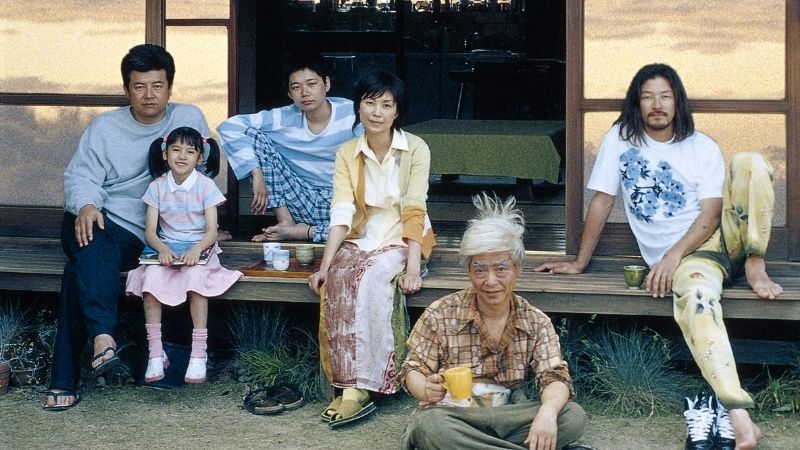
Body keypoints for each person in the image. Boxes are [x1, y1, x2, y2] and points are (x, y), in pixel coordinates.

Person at [534, 63, 781, 450]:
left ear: (677, 101)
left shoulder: (701, 146)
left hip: (720, 241)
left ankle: (754, 264)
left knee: (749, 162)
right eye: (647, 97)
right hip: (696, 263)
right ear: (637, 102)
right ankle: (739, 414)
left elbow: (712, 213)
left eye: (665, 96)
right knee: (698, 299)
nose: (657, 105)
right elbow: (601, 200)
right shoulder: (620, 140)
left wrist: (670, 257)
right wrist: (580, 261)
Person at [44, 44, 211, 411]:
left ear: (170, 87)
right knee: (91, 237)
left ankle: (70, 371)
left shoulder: (189, 117)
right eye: (139, 86)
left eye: (157, 85)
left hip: (144, 229)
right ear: (126, 90)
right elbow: (81, 175)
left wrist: (205, 222)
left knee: (79, 271)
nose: (149, 95)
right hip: (98, 217)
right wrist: (87, 204)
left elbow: (207, 170)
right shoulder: (105, 126)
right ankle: (104, 337)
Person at [399, 194, 587, 450]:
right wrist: (425, 389)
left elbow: (554, 376)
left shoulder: (535, 321)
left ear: (517, 269)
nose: (490, 281)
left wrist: (547, 414)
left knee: (572, 416)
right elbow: (413, 368)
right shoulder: (440, 313)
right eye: (479, 270)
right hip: (455, 415)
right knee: (430, 427)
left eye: (501, 269)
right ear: (468, 271)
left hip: (508, 414)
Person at [308, 71, 435, 427]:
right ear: (358, 107)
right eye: (369, 102)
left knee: (373, 278)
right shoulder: (348, 152)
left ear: (397, 112)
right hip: (362, 234)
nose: (377, 112)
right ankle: (349, 385)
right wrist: (324, 265)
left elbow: (414, 207)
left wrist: (412, 268)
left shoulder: (416, 149)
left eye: (386, 105)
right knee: (338, 280)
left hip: (403, 236)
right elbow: (342, 211)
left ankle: (374, 382)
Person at [125, 127, 242, 385]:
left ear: (200, 158)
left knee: (195, 279)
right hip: (167, 246)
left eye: (190, 151)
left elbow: (212, 231)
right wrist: (162, 249)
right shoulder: (157, 187)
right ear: (165, 154)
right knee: (151, 279)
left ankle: (198, 352)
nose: (182, 156)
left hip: (199, 247)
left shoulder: (206, 186)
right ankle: (156, 351)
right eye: (176, 150)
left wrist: (196, 250)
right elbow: (150, 231)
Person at [217, 52, 363, 242]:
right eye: (296, 87)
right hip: (301, 199)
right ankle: (285, 222)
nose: (305, 93)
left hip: (344, 203)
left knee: (367, 228)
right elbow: (229, 126)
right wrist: (255, 173)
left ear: (326, 84)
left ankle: (303, 232)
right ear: (289, 93)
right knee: (254, 135)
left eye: (312, 84)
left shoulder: (352, 115)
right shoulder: (283, 117)